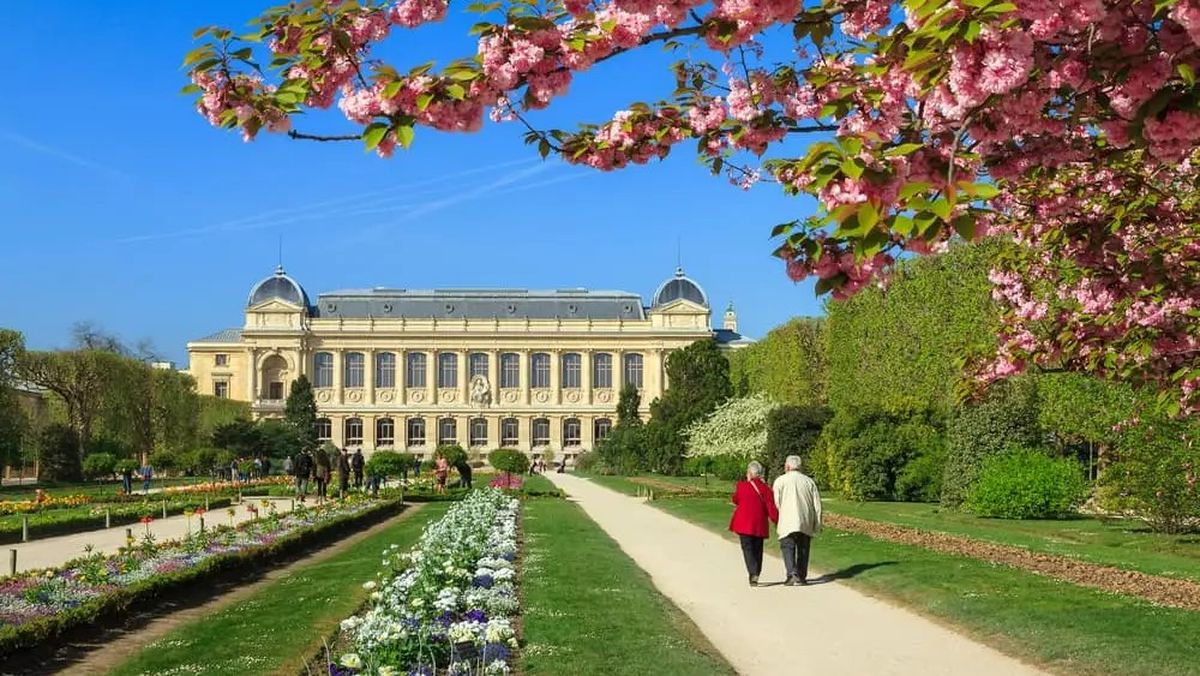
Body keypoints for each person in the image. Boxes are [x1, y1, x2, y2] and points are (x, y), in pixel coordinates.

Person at [773, 455, 823, 586]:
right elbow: (817, 504)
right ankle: (801, 576)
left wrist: (779, 515)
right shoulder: (809, 481)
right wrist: (817, 524)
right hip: (805, 519)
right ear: (800, 467)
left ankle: (791, 573)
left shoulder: (780, 481)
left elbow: (776, 502)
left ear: (787, 466)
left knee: (787, 546)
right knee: (803, 548)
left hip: (787, 519)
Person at [729, 461, 779, 587]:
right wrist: (776, 520)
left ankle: (753, 572)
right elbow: (770, 506)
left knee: (747, 548)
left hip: (744, 523)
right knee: (758, 549)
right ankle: (756, 571)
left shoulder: (742, 486)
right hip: (759, 524)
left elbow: (736, 499)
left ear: (750, 474)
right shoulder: (766, 489)